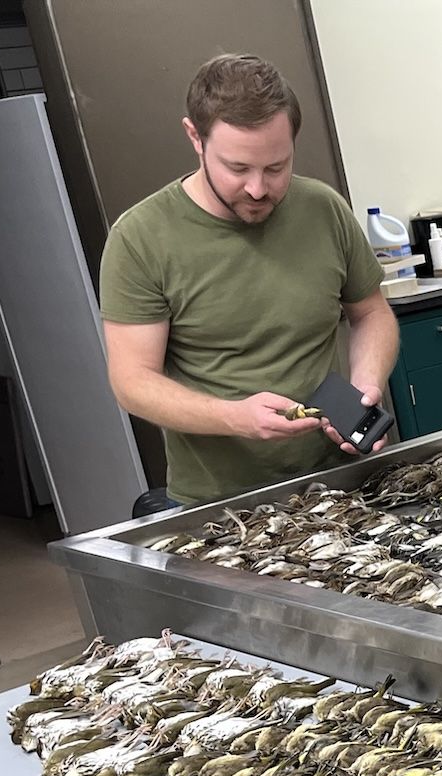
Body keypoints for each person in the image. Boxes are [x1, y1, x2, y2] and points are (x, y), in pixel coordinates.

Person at [100, 54, 399, 507]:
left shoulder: (324, 208)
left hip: (343, 479)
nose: (259, 189)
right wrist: (233, 417)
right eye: (238, 168)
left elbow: (371, 312)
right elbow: (132, 381)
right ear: (194, 137)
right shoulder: (140, 238)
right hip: (221, 501)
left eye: (276, 167)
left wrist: (365, 386)